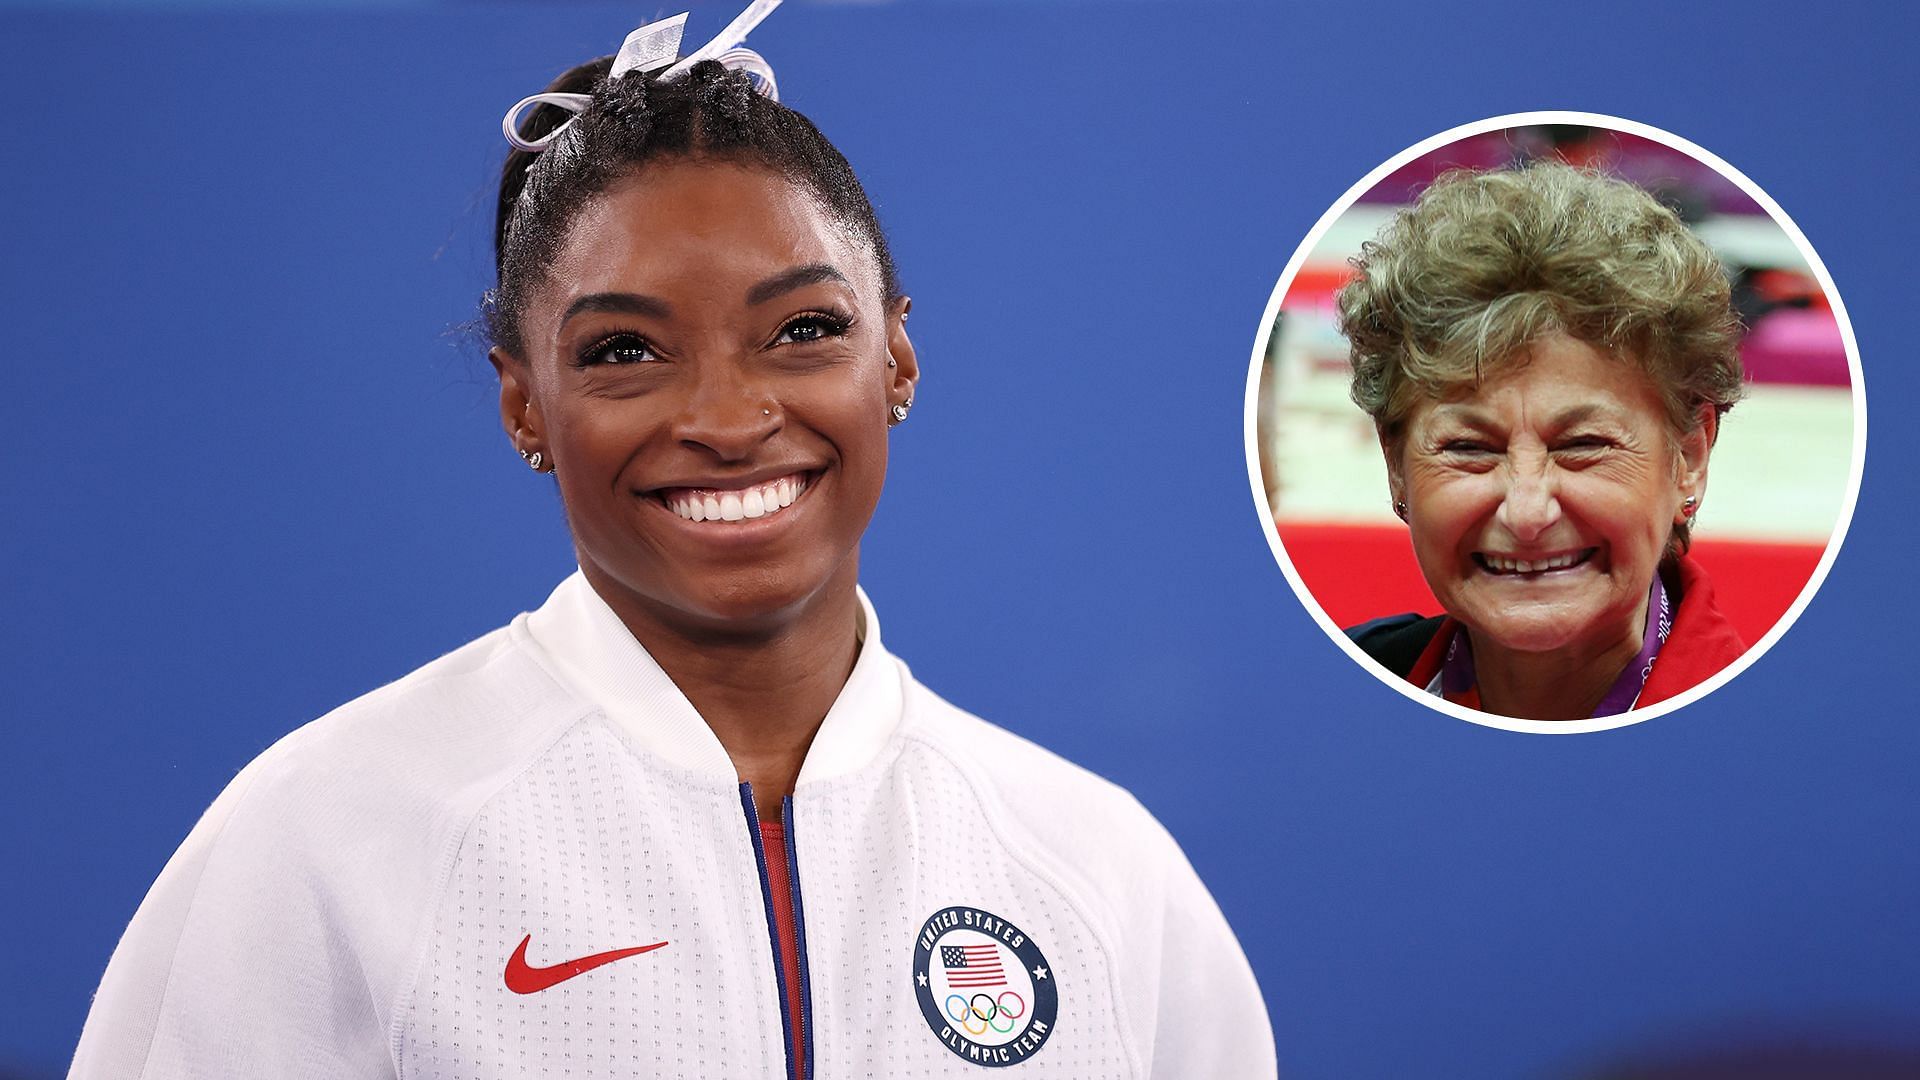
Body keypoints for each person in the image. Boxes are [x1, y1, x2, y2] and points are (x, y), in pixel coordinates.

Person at [68, 6, 1275, 1078]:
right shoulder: (328, 840)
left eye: (804, 327)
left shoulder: (1100, 872)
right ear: (524, 403)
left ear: (896, 357)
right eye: (624, 351)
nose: (729, 418)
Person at [1338, 162, 1748, 721]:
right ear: (1395, 465)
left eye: (1582, 444)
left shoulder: (1784, 749)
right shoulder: (1328, 699)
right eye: (1469, 448)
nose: (1527, 513)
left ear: (1690, 458)